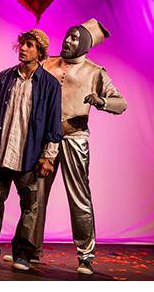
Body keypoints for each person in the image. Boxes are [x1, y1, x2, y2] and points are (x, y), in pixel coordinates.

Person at [33, 19, 127, 275]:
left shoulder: (94, 72)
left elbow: (121, 103)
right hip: (45, 140)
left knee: (79, 198)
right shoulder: (47, 64)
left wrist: (101, 101)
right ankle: (30, 250)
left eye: (75, 37)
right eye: (67, 35)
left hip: (74, 138)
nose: (68, 40)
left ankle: (86, 255)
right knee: (35, 195)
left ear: (85, 43)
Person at [0, 29, 62, 271]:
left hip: (29, 156)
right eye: (22, 44)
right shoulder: (5, 78)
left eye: (29, 45)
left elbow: (53, 123)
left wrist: (48, 157)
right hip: (1, 152)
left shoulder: (50, 85)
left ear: (40, 52)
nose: (23, 48)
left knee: (30, 207)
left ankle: (22, 254)